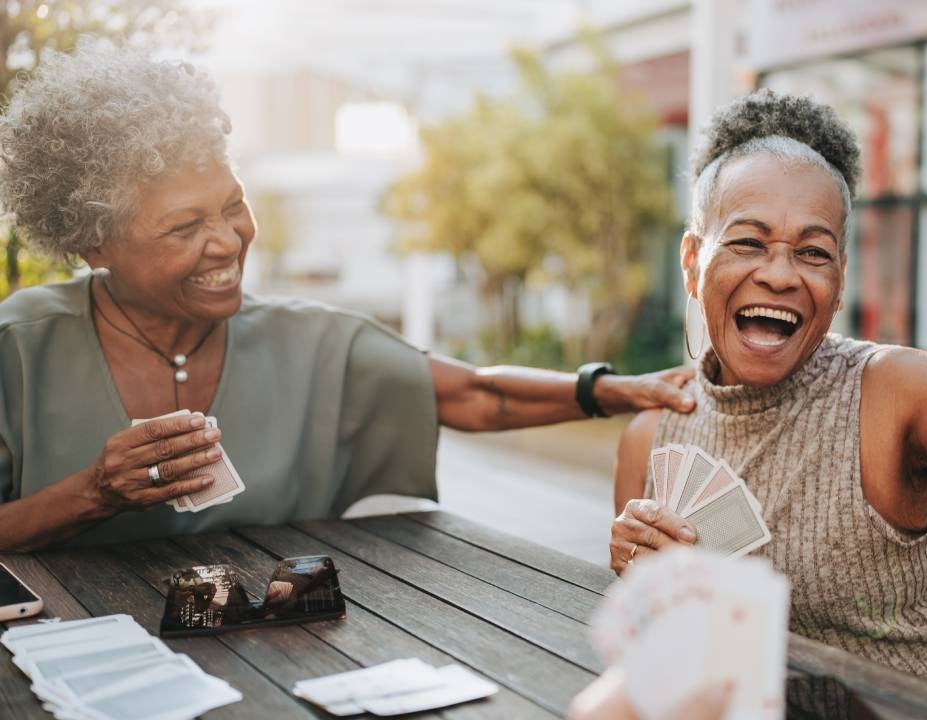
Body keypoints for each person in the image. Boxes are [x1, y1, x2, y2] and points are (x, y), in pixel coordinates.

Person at [0, 47, 695, 551]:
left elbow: (476, 394)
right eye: (184, 226)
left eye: (233, 206)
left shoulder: (315, 343)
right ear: (93, 246)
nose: (227, 241)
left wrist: (616, 391)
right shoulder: (18, 348)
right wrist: (93, 493)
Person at [606, 89, 927, 703]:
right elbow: (661, 660)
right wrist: (641, 582)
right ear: (693, 261)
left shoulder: (894, 390)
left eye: (813, 252)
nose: (780, 274)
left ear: (839, 281)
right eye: (748, 242)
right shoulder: (652, 433)